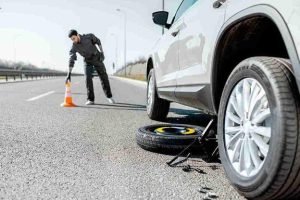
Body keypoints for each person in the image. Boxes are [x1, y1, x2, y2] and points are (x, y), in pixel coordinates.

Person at [66, 29, 115, 105]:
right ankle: (90, 99)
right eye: (72, 39)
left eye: (74, 38)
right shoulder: (74, 46)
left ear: (77, 35)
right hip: (87, 61)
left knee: (103, 76)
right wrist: (69, 74)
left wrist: (102, 52)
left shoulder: (89, 37)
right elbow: (71, 59)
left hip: (97, 57)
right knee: (87, 78)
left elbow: (98, 41)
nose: (73, 41)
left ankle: (109, 96)